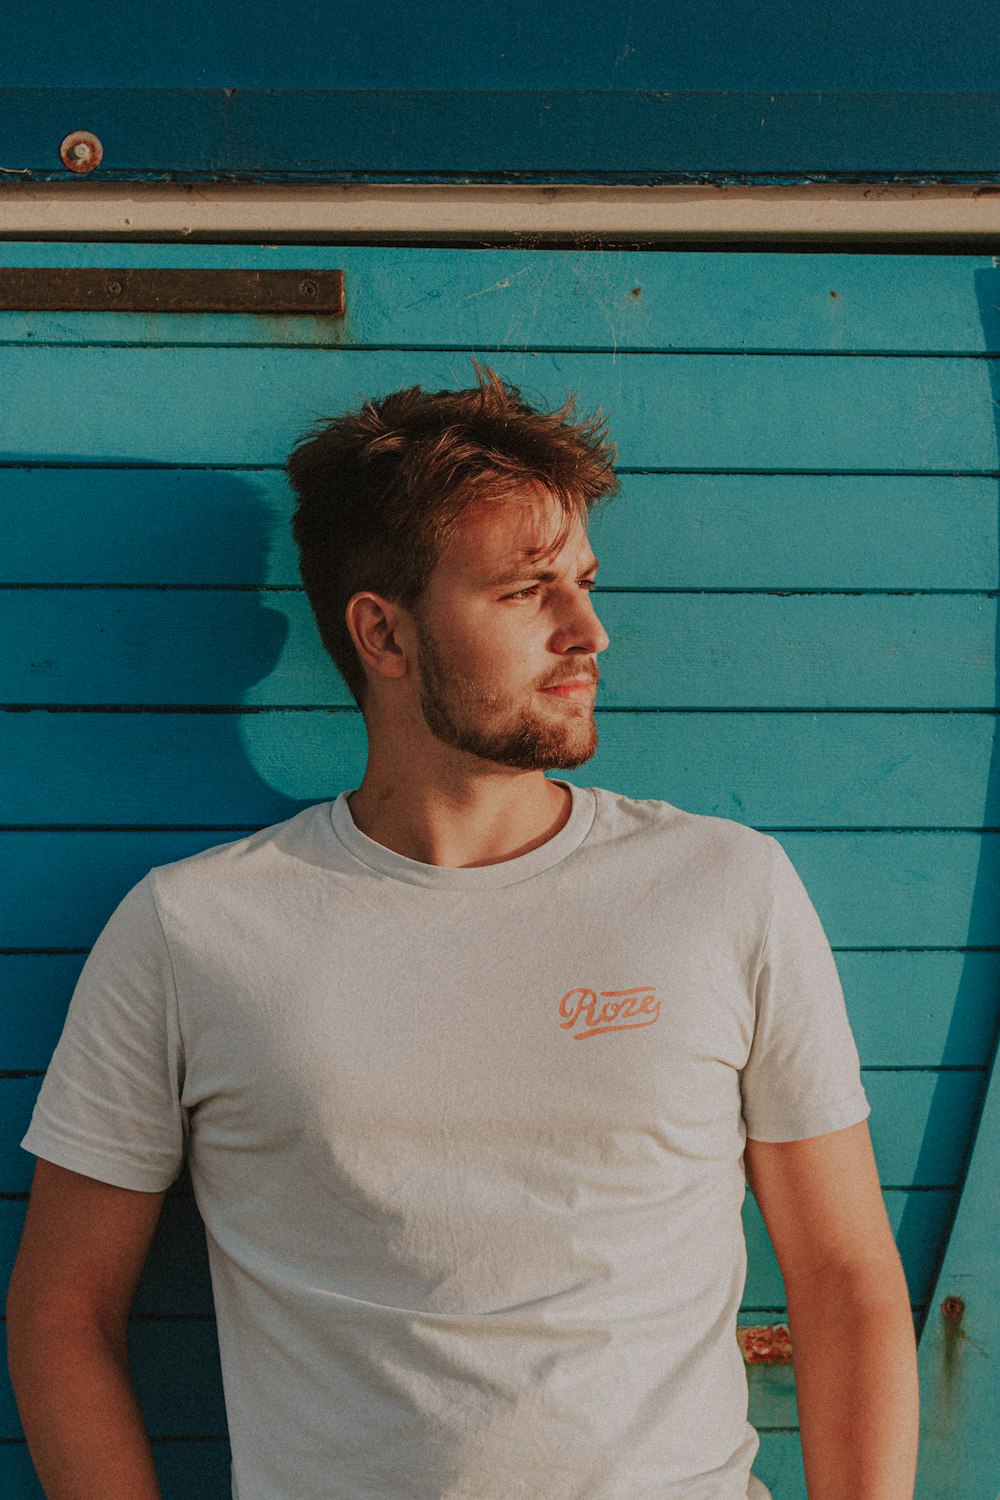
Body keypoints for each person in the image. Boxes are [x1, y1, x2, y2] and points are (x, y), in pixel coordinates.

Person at [6, 364, 919, 1500]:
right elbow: (60, 1312)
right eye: (525, 590)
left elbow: (843, 1280)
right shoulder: (193, 931)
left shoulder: (722, 887)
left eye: (582, 581)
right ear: (383, 636)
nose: (587, 630)